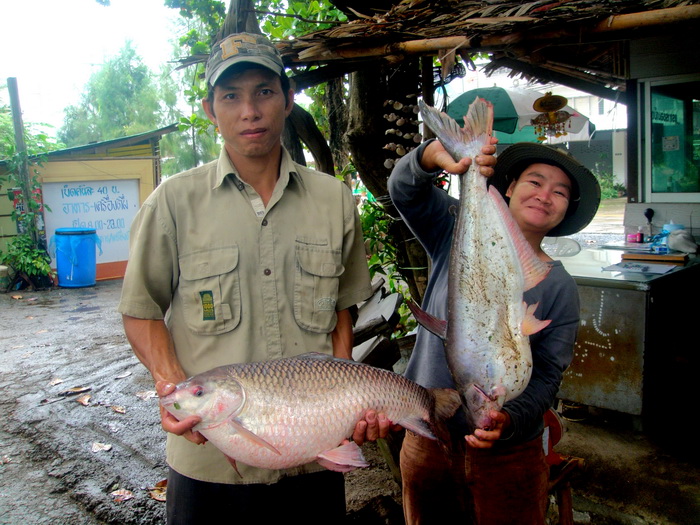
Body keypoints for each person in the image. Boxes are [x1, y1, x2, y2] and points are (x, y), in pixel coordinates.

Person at [118, 32, 385, 524]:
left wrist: (348, 406)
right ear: (209, 109)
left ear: (287, 100)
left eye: (264, 91)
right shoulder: (173, 203)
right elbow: (141, 310)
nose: (250, 110)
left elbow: (341, 312)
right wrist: (175, 389)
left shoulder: (334, 200)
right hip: (212, 464)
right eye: (231, 96)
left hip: (313, 456)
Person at [387, 139, 600, 524]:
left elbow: (549, 373)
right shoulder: (453, 230)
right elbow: (404, 189)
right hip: (428, 439)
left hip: (511, 458)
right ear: (509, 187)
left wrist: (510, 419)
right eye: (535, 182)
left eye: (560, 191)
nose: (545, 195)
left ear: (567, 208)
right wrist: (429, 156)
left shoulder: (559, 287)